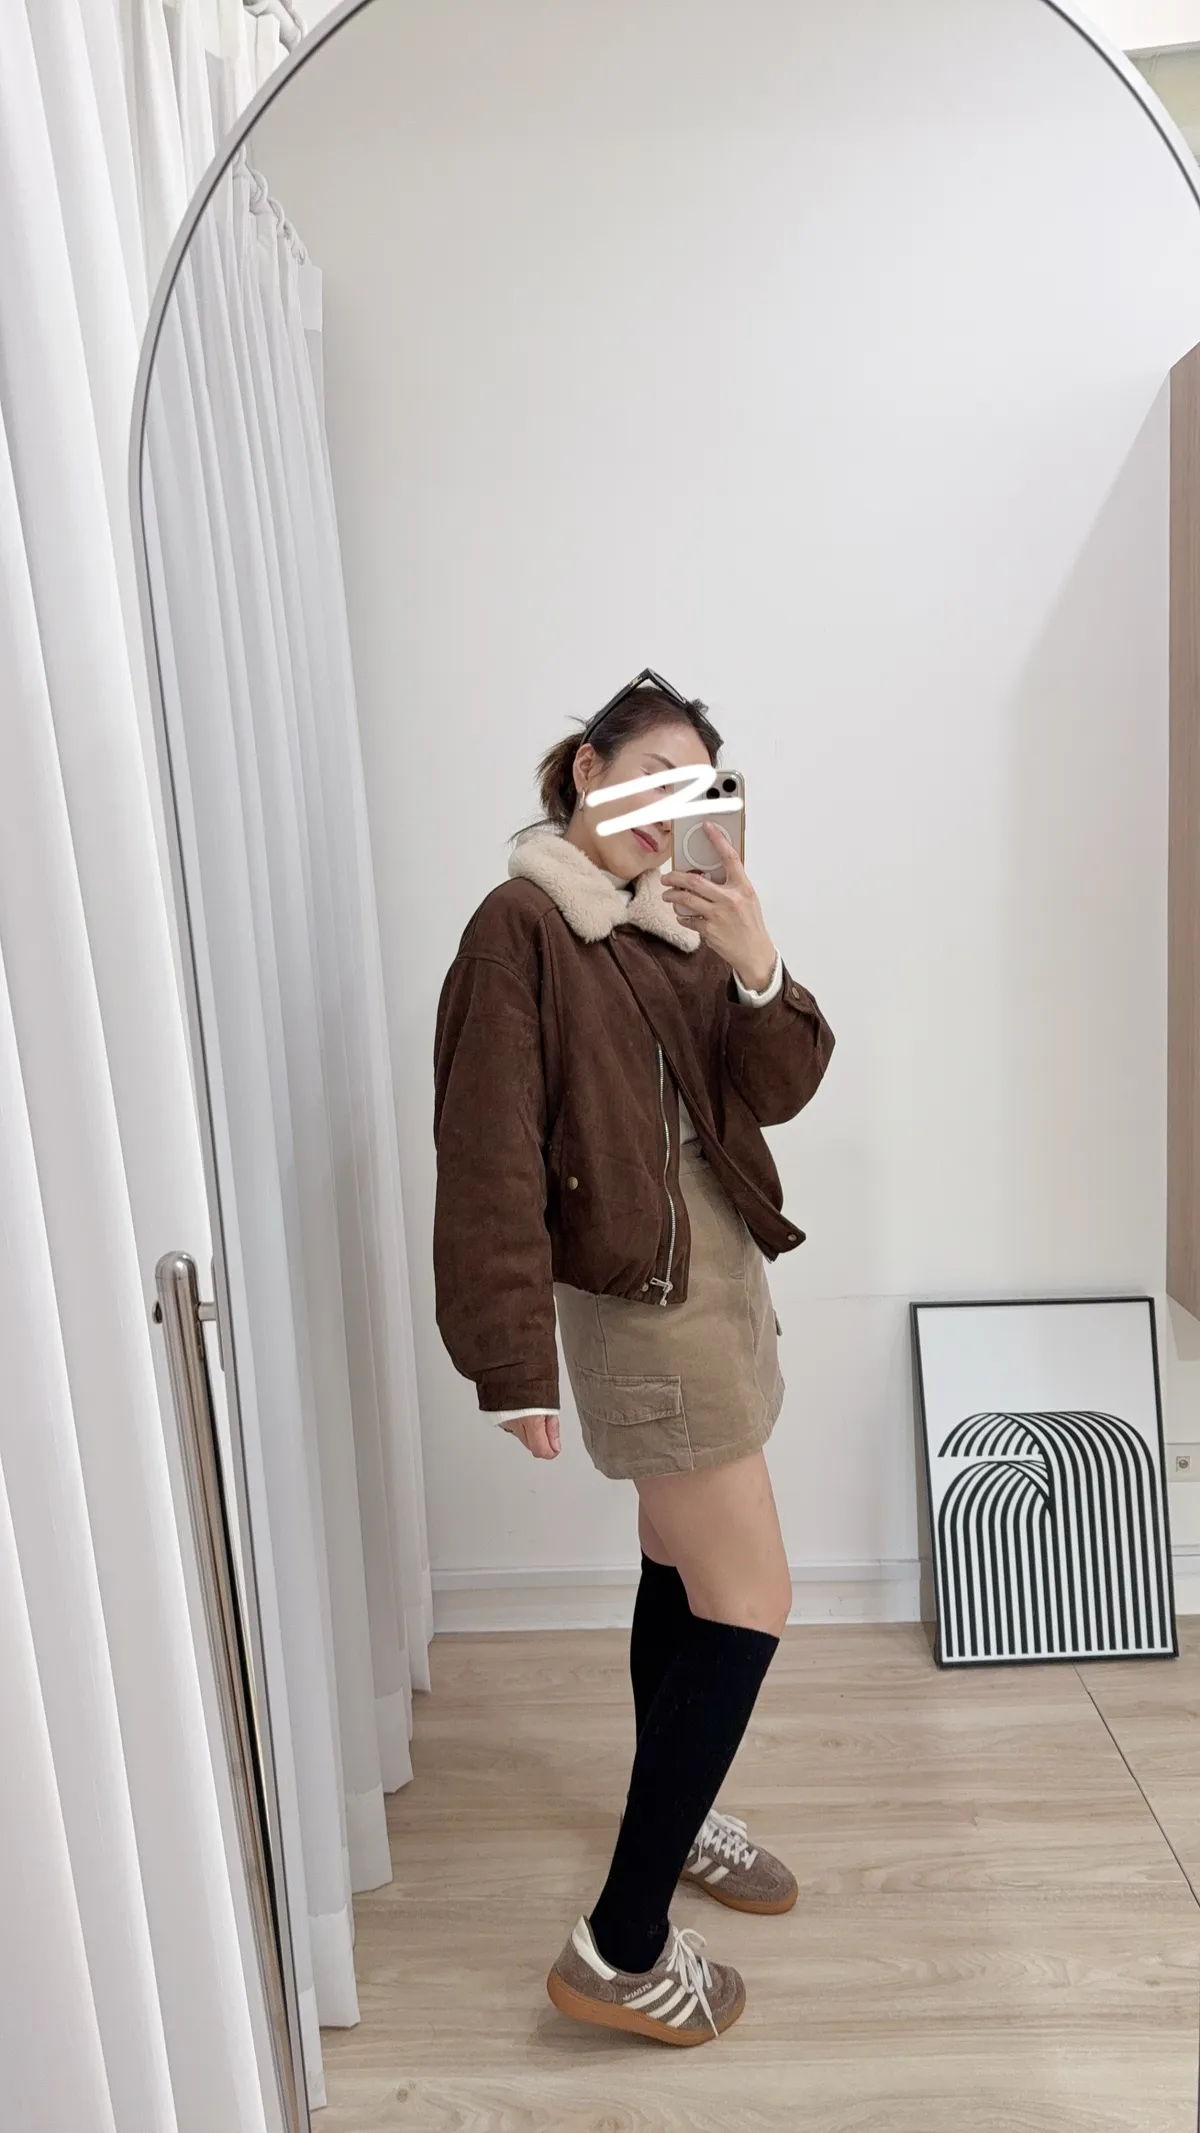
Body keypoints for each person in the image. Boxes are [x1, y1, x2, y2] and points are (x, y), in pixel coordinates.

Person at [432, 670, 835, 2045]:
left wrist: (757, 961)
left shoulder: (674, 925)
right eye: (652, 773)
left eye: (697, 789)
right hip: (650, 1313)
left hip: (719, 1289)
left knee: (679, 1567)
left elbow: (775, 1089)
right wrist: (510, 1361)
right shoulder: (522, 929)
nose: (672, 808)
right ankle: (620, 1944)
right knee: (752, 1600)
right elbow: (485, 1153)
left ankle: (679, 1805)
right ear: (588, 770)